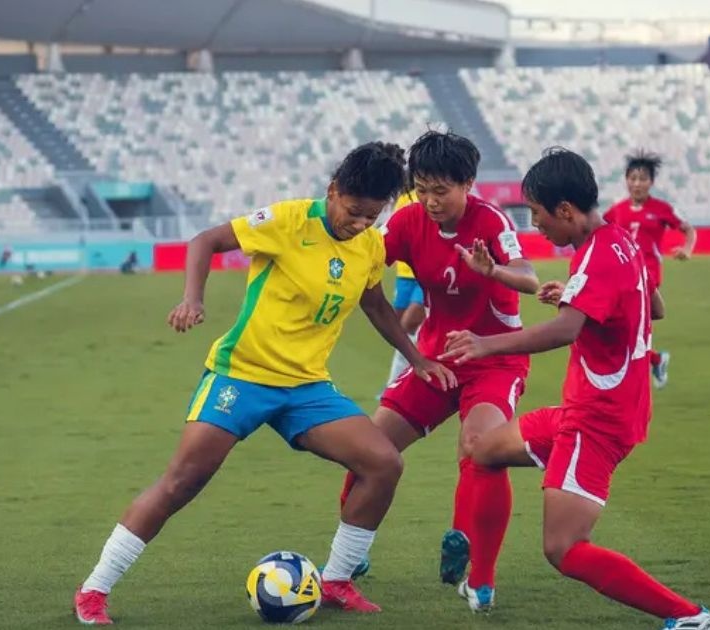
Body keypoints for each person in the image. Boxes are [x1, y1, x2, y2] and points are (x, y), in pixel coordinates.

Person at [72, 142, 456, 625]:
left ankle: (337, 579)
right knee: (182, 481)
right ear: (334, 190)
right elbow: (204, 241)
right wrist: (193, 299)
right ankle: (93, 590)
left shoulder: (369, 245)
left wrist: (416, 358)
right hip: (243, 376)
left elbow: (375, 304)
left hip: (307, 388)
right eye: (355, 212)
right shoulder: (288, 221)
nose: (361, 224)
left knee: (383, 462)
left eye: (373, 217)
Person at [442, 148, 710, 630]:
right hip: (592, 409)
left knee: (563, 548)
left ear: (565, 210)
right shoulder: (619, 242)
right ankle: (480, 584)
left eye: (538, 214)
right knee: (484, 450)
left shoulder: (597, 257)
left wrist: (487, 344)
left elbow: (566, 331)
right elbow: (653, 307)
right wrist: (574, 293)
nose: (536, 225)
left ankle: (689, 616)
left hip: (597, 422)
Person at [338, 130, 540, 611]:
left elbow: (529, 278)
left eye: (440, 190)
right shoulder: (408, 221)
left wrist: (492, 271)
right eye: (421, 189)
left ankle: (471, 560)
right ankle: (352, 552)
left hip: (494, 359)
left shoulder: (490, 221)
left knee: (479, 448)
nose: (429, 201)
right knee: (370, 447)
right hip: (436, 358)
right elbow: (362, 262)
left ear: (468, 184)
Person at [602, 152, 696, 388]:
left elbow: (688, 230)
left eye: (642, 178)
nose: (637, 183)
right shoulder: (617, 210)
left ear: (651, 182)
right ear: (626, 180)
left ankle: (634, 371)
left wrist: (687, 249)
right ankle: (654, 359)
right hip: (620, 276)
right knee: (621, 326)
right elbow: (599, 233)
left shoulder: (661, 208)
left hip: (648, 276)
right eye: (632, 178)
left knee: (628, 325)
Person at [381, 190, 427, 392]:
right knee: (400, 329)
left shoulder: (434, 199)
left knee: (408, 325)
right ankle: (397, 383)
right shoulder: (404, 198)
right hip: (404, 274)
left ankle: (398, 385)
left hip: (424, 275)